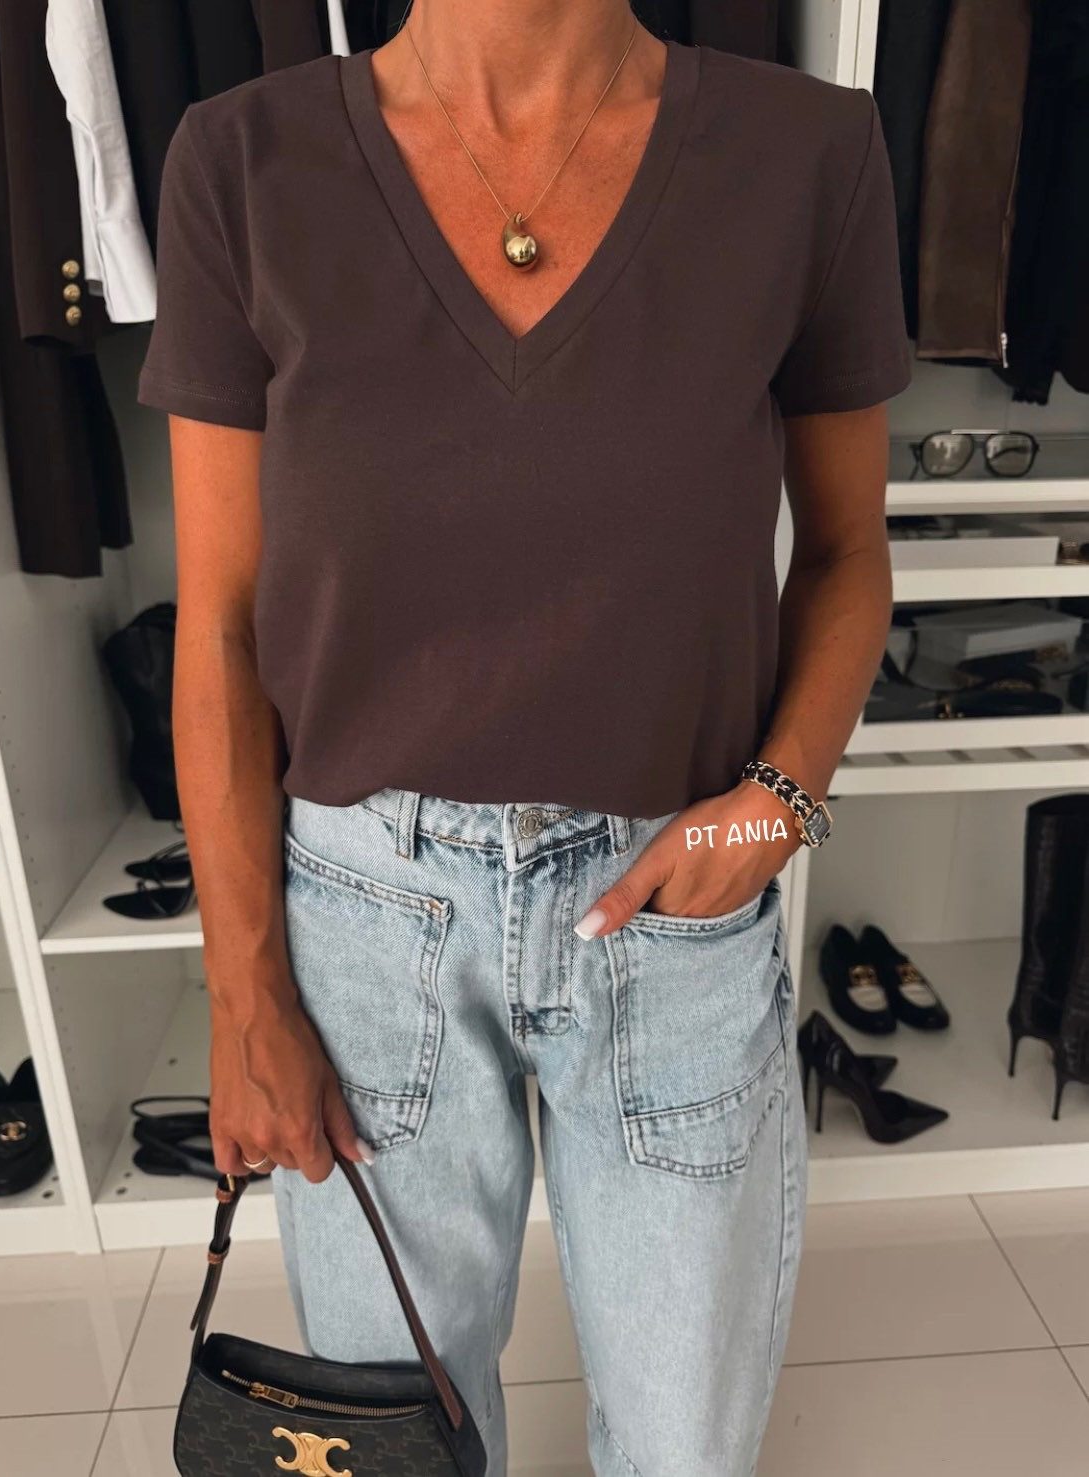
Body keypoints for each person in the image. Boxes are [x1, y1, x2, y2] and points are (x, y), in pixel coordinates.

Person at [137, 0, 912, 1470]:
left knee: (685, 1445)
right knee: (391, 1440)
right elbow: (220, 626)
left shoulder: (807, 155)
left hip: (673, 911)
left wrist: (776, 804)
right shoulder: (241, 163)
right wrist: (244, 996)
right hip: (365, 924)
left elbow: (846, 553)